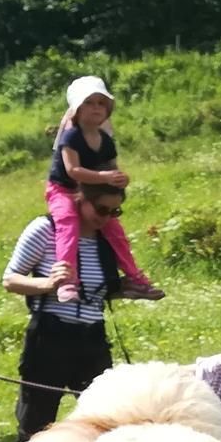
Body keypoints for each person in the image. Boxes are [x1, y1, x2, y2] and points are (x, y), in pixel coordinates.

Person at [3, 184, 135, 442]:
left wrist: (128, 289)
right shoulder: (46, 229)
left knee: (106, 421)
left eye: (115, 212)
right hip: (50, 337)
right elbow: (10, 280)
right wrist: (48, 284)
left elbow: (94, 291)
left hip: (93, 338)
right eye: (101, 209)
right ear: (80, 199)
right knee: (35, 425)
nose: (106, 217)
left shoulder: (106, 239)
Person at [47, 75, 162, 306]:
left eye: (101, 103)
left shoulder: (106, 140)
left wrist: (120, 179)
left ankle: (134, 277)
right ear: (77, 109)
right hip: (63, 189)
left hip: (93, 191)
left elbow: (112, 168)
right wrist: (104, 177)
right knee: (68, 222)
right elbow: (73, 171)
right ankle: (68, 280)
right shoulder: (71, 136)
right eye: (89, 103)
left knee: (115, 230)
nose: (96, 108)